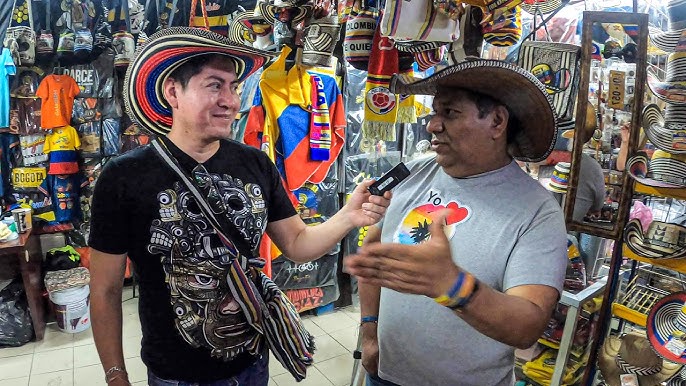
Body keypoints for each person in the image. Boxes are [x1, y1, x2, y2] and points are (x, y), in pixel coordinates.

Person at [88, 27, 391, 386]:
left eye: (233, 87)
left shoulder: (255, 164)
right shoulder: (124, 176)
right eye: (214, 85)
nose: (230, 101)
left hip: (252, 363)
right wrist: (115, 374)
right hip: (175, 374)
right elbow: (105, 289)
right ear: (173, 92)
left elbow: (296, 244)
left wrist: (348, 216)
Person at [345, 60, 568, 386]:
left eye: (449, 114)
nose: (432, 125)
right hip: (384, 374)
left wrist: (452, 286)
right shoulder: (414, 172)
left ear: (496, 121)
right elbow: (374, 252)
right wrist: (369, 330)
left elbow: (527, 325)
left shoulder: (537, 212)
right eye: (435, 113)